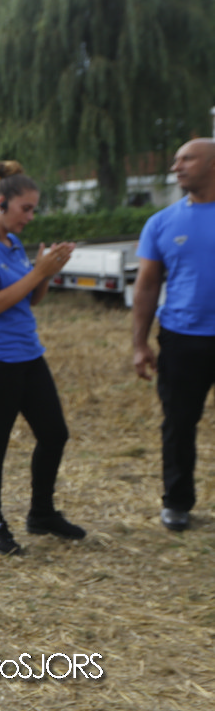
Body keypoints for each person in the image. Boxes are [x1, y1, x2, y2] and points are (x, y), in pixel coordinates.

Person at [0, 160, 86, 555]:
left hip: (28, 354)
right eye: (25, 208)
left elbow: (30, 298)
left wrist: (47, 271)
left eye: (33, 209)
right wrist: (38, 270)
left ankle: (41, 514)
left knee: (54, 434)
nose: (30, 216)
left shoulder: (12, 244)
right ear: (1, 203)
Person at [132, 137, 215, 532]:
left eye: (187, 159)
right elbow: (147, 285)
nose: (175, 167)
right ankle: (177, 502)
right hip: (183, 340)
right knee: (179, 424)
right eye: (176, 160)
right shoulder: (162, 222)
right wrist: (139, 343)